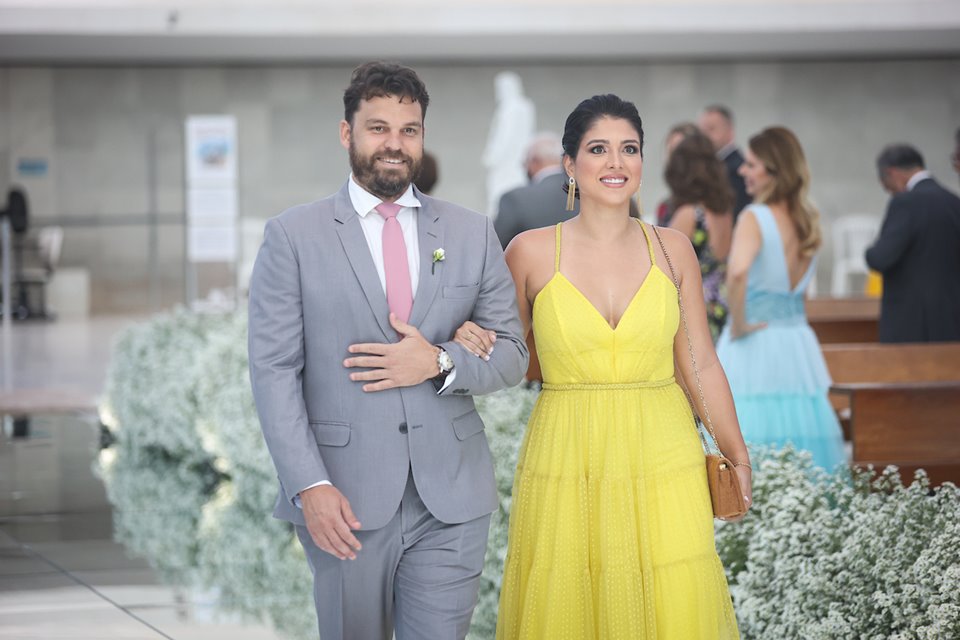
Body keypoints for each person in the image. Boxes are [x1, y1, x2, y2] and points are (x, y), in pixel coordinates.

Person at [247, 61, 528, 640]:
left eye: (410, 130)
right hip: (344, 498)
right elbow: (274, 372)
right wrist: (309, 486)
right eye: (378, 128)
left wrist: (442, 360)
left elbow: (513, 354)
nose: (395, 144)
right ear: (347, 134)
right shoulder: (293, 237)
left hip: (452, 498)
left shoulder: (471, 232)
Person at [457, 94, 748, 638]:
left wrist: (737, 453)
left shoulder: (673, 248)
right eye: (598, 149)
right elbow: (503, 355)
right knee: (570, 601)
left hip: (666, 454)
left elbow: (700, 364)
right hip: (568, 453)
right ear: (570, 165)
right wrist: (465, 337)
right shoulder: (529, 251)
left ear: (642, 163)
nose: (616, 163)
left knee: (673, 599)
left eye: (629, 149)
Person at [716, 126, 845, 471]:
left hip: (755, 339)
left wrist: (739, 323)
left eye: (752, 164)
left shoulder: (754, 217)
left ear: (774, 171)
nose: (743, 170)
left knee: (749, 428)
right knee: (800, 427)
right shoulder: (808, 219)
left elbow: (738, 272)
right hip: (795, 340)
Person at [865, 144, 960, 343]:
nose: (890, 192)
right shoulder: (954, 202)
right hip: (951, 320)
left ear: (891, 173)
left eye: (887, 187)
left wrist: (869, 252)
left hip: (911, 322)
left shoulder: (905, 202)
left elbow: (882, 257)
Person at [666, 130, 735, 341]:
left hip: (693, 310)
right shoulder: (724, 212)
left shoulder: (689, 215)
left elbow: (664, 265)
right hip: (720, 307)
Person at [494, 132, 577, 249]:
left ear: (534, 161)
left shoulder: (515, 199)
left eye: (524, 163)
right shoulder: (588, 194)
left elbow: (495, 248)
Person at [699, 105, 751, 219]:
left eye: (711, 129)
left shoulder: (737, 169)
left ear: (730, 131)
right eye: (702, 131)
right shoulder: (711, 165)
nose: (704, 136)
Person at [655, 121, 700, 226]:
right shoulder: (665, 206)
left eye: (679, 153)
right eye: (670, 152)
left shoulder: (708, 206)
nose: (673, 159)